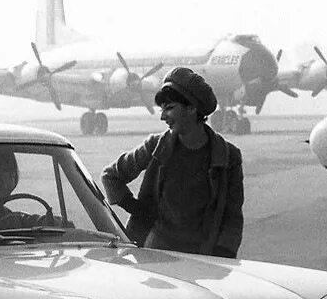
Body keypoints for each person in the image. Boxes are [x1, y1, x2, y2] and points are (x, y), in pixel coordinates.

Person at [101, 67, 243, 257]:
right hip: (154, 254)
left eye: (169, 108)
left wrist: (223, 255)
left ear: (192, 108)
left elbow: (233, 216)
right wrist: (136, 208)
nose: (162, 116)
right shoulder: (155, 146)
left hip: (203, 258)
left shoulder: (229, 156)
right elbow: (110, 176)